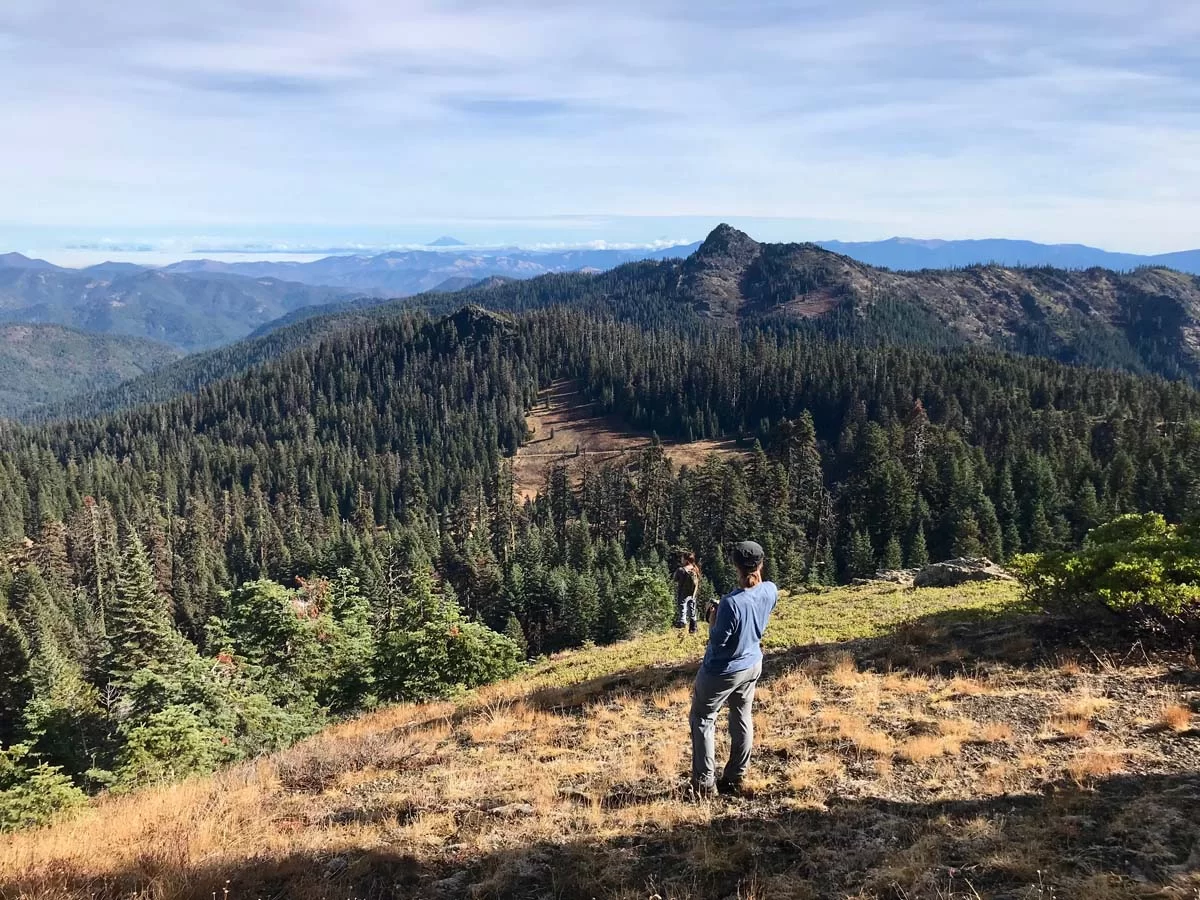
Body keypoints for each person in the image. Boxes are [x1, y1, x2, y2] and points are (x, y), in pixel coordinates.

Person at [688, 540, 777, 798]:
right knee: (742, 715)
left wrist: (711, 616)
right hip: (752, 664)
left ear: (736, 566)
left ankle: (705, 784)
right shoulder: (771, 591)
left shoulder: (730, 603)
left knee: (703, 718)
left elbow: (718, 640)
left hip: (722, 670)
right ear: (761, 563)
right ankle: (736, 774)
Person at [672, 551, 701, 634]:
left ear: (686, 560)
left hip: (683, 593)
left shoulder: (681, 570)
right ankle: (693, 628)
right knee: (692, 610)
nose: (681, 559)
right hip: (693, 594)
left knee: (682, 609)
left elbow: (675, 579)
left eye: (682, 558)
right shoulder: (695, 569)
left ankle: (682, 627)